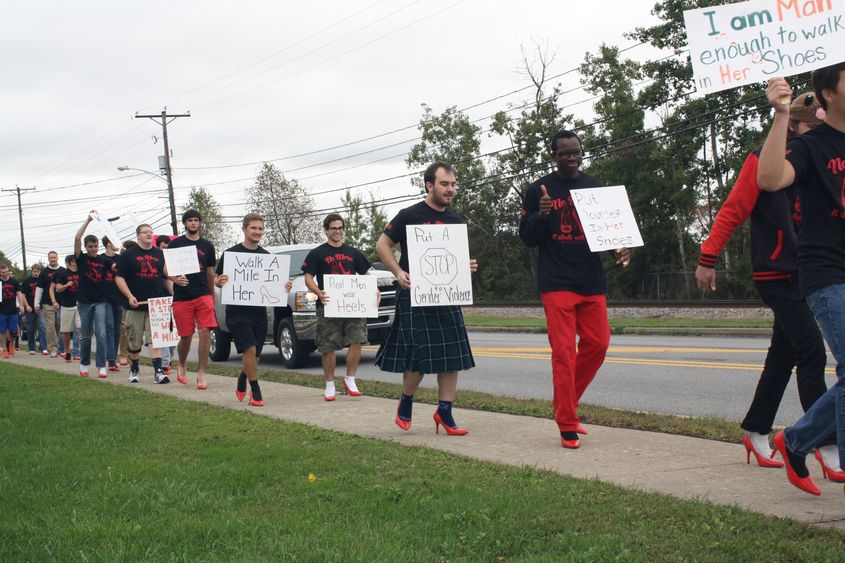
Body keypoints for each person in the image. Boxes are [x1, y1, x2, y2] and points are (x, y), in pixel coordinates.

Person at [695, 93, 834, 469]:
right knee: (812, 352)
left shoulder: (823, 157)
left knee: (782, 356)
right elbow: (733, 209)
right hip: (777, 271)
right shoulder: (763, 160)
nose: (819, 134)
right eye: (812, 127)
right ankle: (826, 443)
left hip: (812, 270)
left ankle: (756, 431)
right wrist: (708, 258)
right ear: (792, 125)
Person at [757, 63, 845, 495]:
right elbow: (770, 178)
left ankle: (794, 441)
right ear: (827, 94)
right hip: (829, 272)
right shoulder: (812, 146)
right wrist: (780, 114)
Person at [519, 130, 630, 449]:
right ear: (553, 156)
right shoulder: (539, 189)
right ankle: (567, 421)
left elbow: (607, 233)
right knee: (564, 353)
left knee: (599, 343)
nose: (572, 157)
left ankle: (564, 404)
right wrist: (542, 214)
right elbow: (527, 238)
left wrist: (619, 249)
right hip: (557, 283)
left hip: (591, 281)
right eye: (564, 153)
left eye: (576, 151)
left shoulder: (595, 187)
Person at [375, 162, 478, 435]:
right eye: (445, 184)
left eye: (454, 184)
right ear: (429, 185)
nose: (451, 189)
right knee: (418, 357)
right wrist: (398, 271)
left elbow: (453, 261)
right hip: (414, 293)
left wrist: (464, 267)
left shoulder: (454, 221)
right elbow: (381, 245)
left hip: (446, 295)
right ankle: (406, 400)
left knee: (452, 354)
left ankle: (445, 412)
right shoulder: (409, 215)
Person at [215, 213, 292, 407]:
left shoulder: (267, 258)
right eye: (253, 228)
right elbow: (216, 279)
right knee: (248, 348)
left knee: (255, 355)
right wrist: (219, 281)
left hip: (259, 312)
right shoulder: (231, 255)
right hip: (237, 312)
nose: (257, 232)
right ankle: (256, 391)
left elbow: (275, 286)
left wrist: (285, 288)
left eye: (260, 229)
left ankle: (243, 375)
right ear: (244, 229)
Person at [302, 213, 375, 401]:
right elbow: (308, 277)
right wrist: (318, 292)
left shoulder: (353, 252)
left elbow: (366, 273)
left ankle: (350, 379)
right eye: (333, 228)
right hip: (328, 305)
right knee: (328, 346)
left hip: (353, 304)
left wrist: (373, 290)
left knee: (358, 339)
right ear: (326, 230)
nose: (337, 231)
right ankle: (329, 384)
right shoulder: (317, 253)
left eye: (340, 228)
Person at [166, 210, 218, 389]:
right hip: (182, 296)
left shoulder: (207, 246)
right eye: (190, 221)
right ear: (185, 223)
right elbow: (166, 269)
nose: (193, 223)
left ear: (200, 223)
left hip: (203, 294)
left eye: (196, 220)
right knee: (186, 336)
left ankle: (202, 372)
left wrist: (213, 296)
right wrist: (174, 279)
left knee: (205, 332)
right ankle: (182, 363)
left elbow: (210, 273)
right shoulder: (176, 244)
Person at [115, 224, 171, 384]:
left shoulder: (160, 254)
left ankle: (158, 372)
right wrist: (129, 295)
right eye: (145, 232)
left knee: (155, 339)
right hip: (135, 304)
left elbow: (167, 276)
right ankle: (134, 369)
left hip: (156, 304)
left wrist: (175, 290)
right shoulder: (128, 255)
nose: (149, 234)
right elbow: (119, 278)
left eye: (151, 232)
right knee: (134, 341)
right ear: (138, 235)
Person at [74, 214, 113, 379]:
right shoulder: (81, 259)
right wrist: (88, 221)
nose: (93, 249)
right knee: (86, 335)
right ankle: (84, 363)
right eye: (90, 246)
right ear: (86, 247)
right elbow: (77, 237)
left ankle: (101, 366)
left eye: (95, 246)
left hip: (100, 302)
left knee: (102, 334)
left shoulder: (104, 261)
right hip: (84, 302)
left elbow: (116, 265)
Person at [50, 255, 80, 367]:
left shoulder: (80, 272)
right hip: (67, 305)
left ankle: (78, 351)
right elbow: (57, 288)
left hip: (80, 305)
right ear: (69, 263)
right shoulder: (63, 274)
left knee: (80, 328)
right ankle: (67, 352)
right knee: (66, 331)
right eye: (74, 261)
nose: (76, 263)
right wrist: (67, 285)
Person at [35, 251, 64, 357]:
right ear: (48, 259)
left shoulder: (63, 271)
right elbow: (39, 289)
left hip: (61, 303)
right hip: (47, 303)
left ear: (57, 258)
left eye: (54, 257)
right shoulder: (44, 273)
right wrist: (36, 303)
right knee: (50, 326)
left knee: (59, 325)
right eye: (51, 258)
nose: (53, 259)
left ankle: (60, 347)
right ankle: (53, 348)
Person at [154, 235, 176, 375]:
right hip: (159, 301)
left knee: (173, 335)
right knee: (163, 334)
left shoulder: (175, 264)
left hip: (174, 302)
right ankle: (164, 363)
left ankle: (169, 361)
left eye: (168, 248)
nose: (165, 251)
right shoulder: (156, 263)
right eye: (163, 248)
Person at [101, 235, 122, 371]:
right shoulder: (100, 259)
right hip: (104, 298)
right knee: (109, 327)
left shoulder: (120, 259)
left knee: (117, 330)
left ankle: (113, 357)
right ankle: (110, 360)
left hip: (119, 298)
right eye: (114, 241)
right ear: (109, 243)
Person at [0, 264, 28, 358]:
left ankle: (11, 345)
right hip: (2, 310)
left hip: (13, 310)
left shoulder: (14, 281)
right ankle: (4, 348)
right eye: (3, 272)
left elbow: (19, 294)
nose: (5, 274)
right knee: (2, 330)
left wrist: (21, 305)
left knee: (14, 330)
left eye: (6, 271)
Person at [21, 264, 46, 354]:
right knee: (31, 329)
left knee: (42, 327)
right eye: (34, 271)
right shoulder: (27, 281)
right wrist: (26, 306)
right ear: (32, 271)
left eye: (38, 271)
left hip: (41, 308)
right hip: (30, 308)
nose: (36, 273)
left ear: (40, 272)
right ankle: (32, 348)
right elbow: (22, 295)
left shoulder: (43, 281)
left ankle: (43, 347)